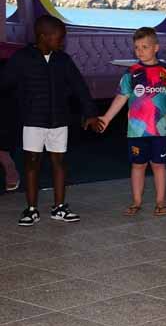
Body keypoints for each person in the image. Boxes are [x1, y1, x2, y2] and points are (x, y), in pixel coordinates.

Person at [0, 15, 103, 226]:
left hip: (59, 120)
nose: (62, 41)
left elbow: (79, 87)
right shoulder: (22, 58)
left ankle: (59, 207)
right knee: (31, 164)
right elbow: (4, 84)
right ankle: (31, 209)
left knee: (59, 163)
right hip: (32, 120)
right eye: (59, 37)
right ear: (43, 37)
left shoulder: (63, 60)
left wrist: (90, 113)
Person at [98, 27, 166, 217]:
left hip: (160, 129)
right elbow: (121, 97)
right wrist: (106, 117)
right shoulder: (132, 72)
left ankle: (160, 201)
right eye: (136, 47)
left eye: (145, 47)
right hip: (136, 130)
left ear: (156, 48)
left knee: (159, 165)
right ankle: (137, 201)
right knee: (138, 165)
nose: (140, 51)